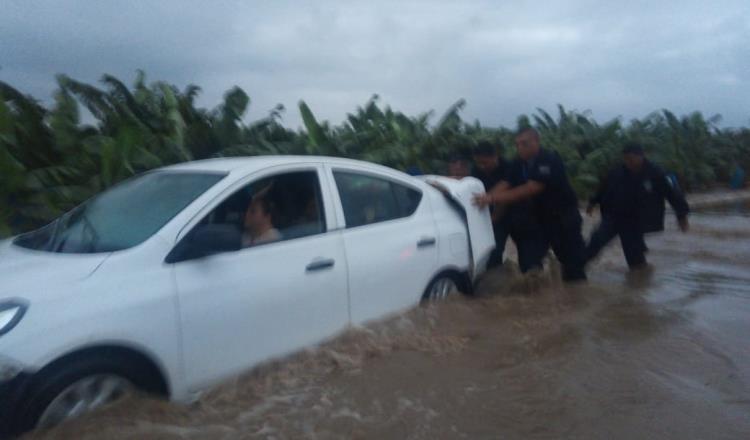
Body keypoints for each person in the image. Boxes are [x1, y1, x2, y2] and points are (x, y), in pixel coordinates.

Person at [473, 128, 587, 282]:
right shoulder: (517, 163)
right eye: (517, 144)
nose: (520, 147)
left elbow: (530, 188)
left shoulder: (549, 160)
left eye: (524, 144)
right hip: (539, 222)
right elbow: (506, 183)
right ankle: (537, 300)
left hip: (563, 220)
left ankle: (575, 298)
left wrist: (492, 198)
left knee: (573, 268)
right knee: (529, 266)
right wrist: (482, 198)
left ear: (536, 142)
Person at [585, 142, 689, 269]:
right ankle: (574, 267)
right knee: (596, 240)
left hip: (635, 221)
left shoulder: (656, 173)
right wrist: (593, 202)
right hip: (613, 216)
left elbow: (673, 194)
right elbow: (603, 188)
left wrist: (681, 216)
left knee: (636, 262)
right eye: (626, 159)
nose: (628, 162)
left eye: (631, 159)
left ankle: (640, 283)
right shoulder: (617, 171)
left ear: (641, 156)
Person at [471, 141, 510, 268]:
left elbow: (506, 192)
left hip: (513, 212)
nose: (481, 166)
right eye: (478, 163)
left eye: (485, 162)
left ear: (495, 157)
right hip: (489, 213)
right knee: (492, 252)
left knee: (527, 253)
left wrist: (494, 218)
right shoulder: (476, 170)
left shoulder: (508, 167)